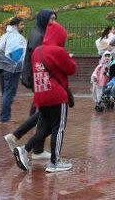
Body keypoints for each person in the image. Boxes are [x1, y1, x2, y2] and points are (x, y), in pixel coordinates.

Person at [13, 21, 77, 173]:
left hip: (41, 94)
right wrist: (67, 56)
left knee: (46, 127)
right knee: (58, 128)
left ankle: (24, 149)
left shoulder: (37, 51)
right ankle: (55, 162)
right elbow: (72, 68)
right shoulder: (58, 51)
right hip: (56, 95)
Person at [5, 8, 56, 160]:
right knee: (44, 114)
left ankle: (31, 145)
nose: (54, 22)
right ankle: (20, 139)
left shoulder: (39, 33)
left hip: (39, 79)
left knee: (41, 112)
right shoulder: (38, 35)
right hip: (39, 80)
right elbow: (38, 59)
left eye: (55, 19)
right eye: (51, 19)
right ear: (44, 19)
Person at [0, 17, 27, 123]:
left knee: (5, 93)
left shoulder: (6, 35)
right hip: (12, 69)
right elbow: (16, 54)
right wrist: (21, 64)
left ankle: (5, 116)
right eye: (21, 24)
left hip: (4, 68)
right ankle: (4, 118)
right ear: (15, 26)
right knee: (9, 93)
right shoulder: (15, 37)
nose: (23, 27)